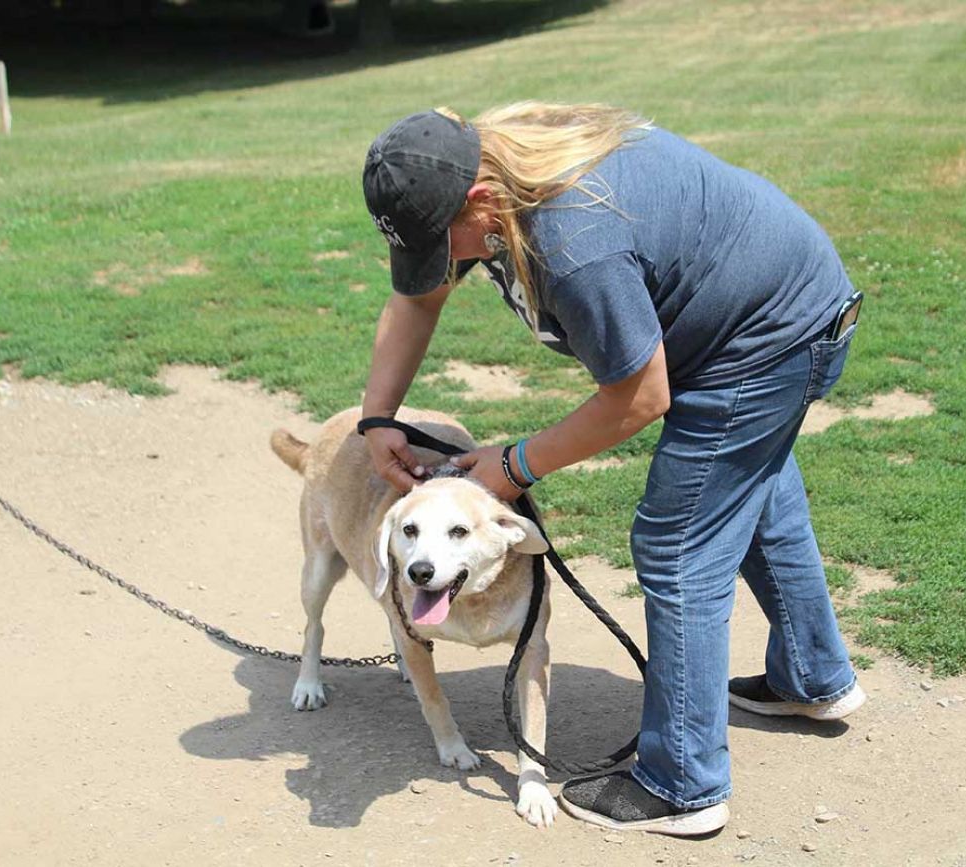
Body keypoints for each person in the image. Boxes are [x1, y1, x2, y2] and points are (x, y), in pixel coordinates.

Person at [358, 102, 866, 836]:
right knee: (754, 494)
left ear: (479, 201)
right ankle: (813, 678)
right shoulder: (493, 166)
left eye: (441, 245)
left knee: (677, 541)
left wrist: (512, 465)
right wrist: (379, 417)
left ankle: (683, 783)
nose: (441, 266)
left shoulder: (572, 237)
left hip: (770, 340)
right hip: (756, 322)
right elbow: (419, 296)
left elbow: (639, 396)